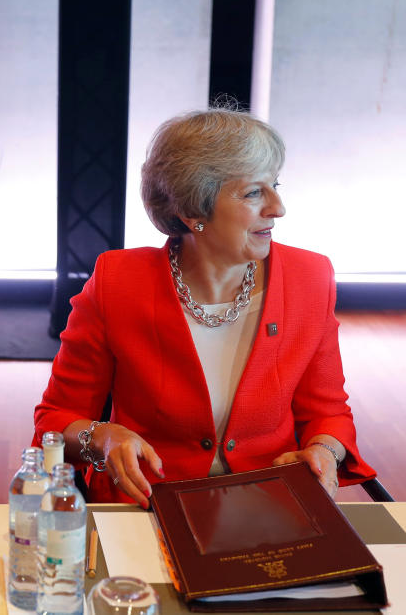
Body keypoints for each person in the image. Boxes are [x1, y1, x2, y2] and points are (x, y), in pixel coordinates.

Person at [34, 108, 375, 507]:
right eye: (253, 192)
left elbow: (328, 411)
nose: (278, 208)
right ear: (193, 211)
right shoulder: (118, 282)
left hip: (270, 502)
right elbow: (56, 419)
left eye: (275, 186)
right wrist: (103, 438)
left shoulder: (310, 277)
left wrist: (324, 451)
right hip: (149, 503)